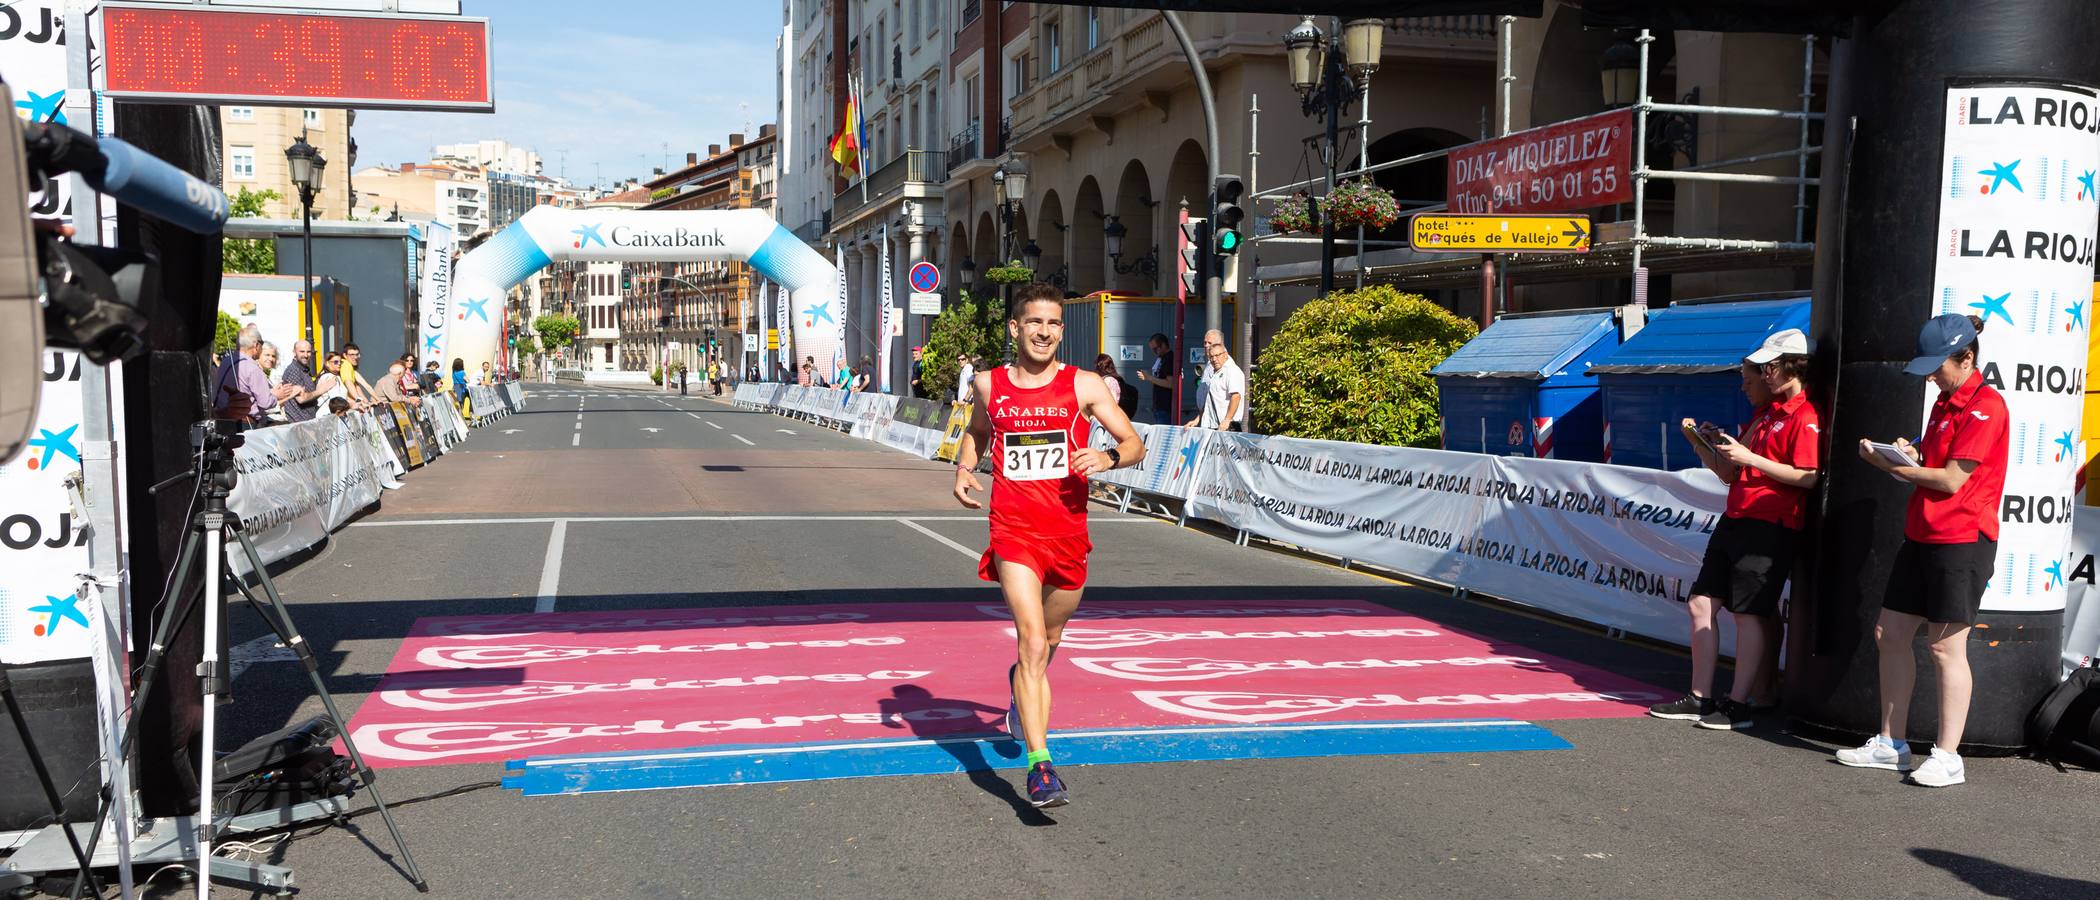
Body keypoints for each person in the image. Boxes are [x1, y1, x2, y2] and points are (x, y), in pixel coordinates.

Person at [951, 283, 1145, 809]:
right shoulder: (990, 384)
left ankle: (1021, 685)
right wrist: (966, 468)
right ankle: (1041, 769)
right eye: (1034, 322)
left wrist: (1106, 459)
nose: (1044, 332)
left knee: (1051, 639)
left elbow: (1134, 444)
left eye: (1054, 324)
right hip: (1013, 530)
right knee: (1032, 641)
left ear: (1062, 330)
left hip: (1068, 534)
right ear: (1015, 329)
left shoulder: (1083, 385)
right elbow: (978, 430)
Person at [1841, 314, 2007, 787]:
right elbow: (1937, 464)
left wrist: (1890, 467)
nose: (1932, 376)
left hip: (1963, 540)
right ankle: (1892, 744)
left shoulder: (1985, 406)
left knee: (1944, 647)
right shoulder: (1946, 402)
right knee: (1888, 633)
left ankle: (1949, 755)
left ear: (1967, 358)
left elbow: (1953, 479)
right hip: (1924, 534)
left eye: (1939, 367)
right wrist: (1908, 457)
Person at [1647, 329, 1820, 731]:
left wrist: (1749, 457)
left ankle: (1739, 704)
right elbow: (1729, 473)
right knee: (1701, 604)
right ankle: (1700, 697)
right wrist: (1703, 444)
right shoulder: (1765, 416)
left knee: (1749, 614)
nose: (1746, 384)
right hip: (1738, 517)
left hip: (1770, 524)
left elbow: (1808, 477)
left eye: (1753, 375)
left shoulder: (1805, 415)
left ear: (1777, 369)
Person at [212, 327, 285, 426]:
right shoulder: (252, 368)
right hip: (245, 424)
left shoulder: (225, 362)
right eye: (262, 344)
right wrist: (276, 395)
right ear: (256, 345)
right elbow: (265, 402)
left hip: (221, 420)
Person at [1187, 329, 1245, 431]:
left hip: (1225, 427)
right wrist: (1198, 419)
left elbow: (1236, 397)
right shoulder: (1212, 367)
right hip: (1210, 425)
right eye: (1205, 343)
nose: (1206, 345)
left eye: (1210, 343)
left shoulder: (1231, 370)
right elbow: (1209, 399)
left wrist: (1227, 420)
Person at [277, 340, 324, 423]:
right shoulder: (293, 370)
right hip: (299, 423)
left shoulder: (304, 369)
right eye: (302, 351)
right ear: (294, 352)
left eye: (308, 352)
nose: (306, 355)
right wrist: (322, 390)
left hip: (308, 421)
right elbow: (301, 398)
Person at [1138, 332, 1177, 425]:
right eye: (1152, 349)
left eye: (1156, 348)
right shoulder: (1161, 358)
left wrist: (1149, 378)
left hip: (1166, 407)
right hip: (1159, 406)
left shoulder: (1169, 358)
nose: (1154, 352)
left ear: (1163, 345)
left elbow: (1170, 384)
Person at [1094, 353, 1138, 421]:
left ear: (1098, 367)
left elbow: (1112, 404)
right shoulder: (1118, 379)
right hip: (1120, 418)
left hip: (1110, 420)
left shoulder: (1109, 381)